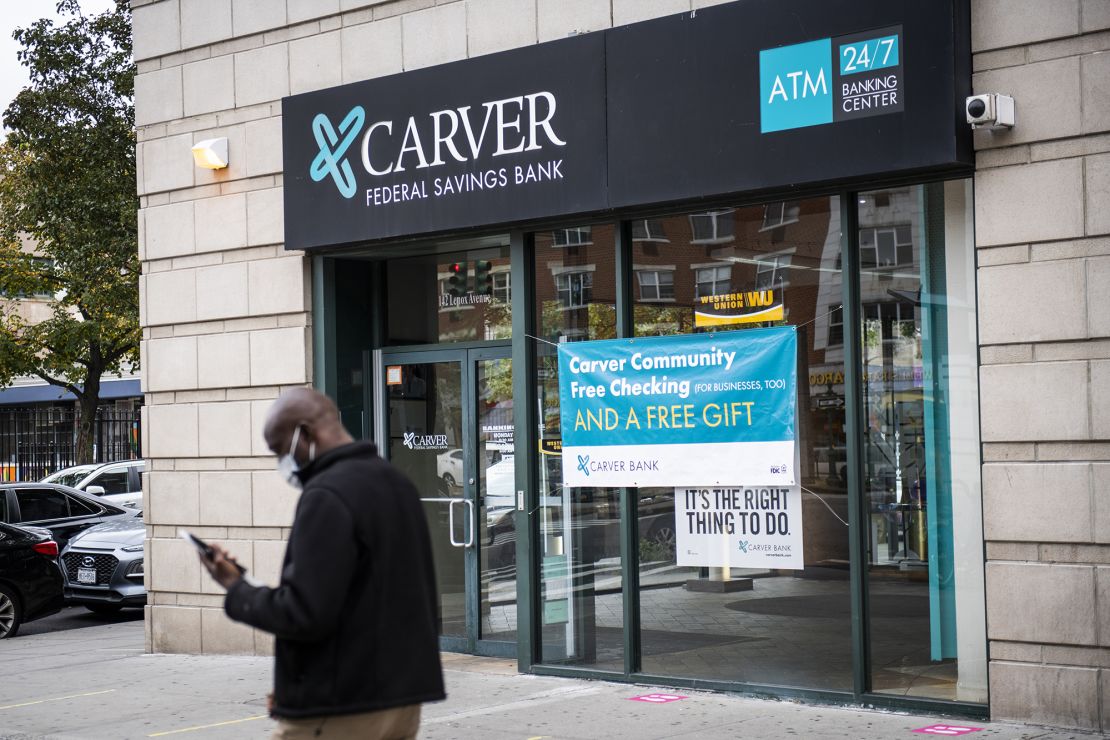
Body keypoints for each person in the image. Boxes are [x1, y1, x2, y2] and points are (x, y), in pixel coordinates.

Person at [198, 388, 445, 739]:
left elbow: (304, 613)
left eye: (281, 450)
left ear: (306, 433)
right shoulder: (397, 483)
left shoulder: (326, 496)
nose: (282, 462)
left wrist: (236, 589)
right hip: (400, 701)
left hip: (342, 705)